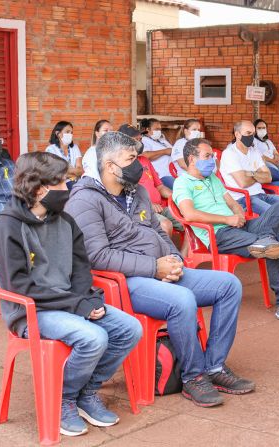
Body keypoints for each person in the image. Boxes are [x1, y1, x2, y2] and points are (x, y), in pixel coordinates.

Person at [65, 131, 252, 408]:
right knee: (182, 300)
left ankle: (214, 367)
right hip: (125, 282)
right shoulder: (85, 200)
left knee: (228, 285)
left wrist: (174, 260)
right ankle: (193, 377)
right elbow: (97, 255)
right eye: (131, 159)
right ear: (109, 166)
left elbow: (158, 231)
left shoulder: (136, 191)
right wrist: (153, 268)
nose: (137, 164)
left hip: (160, 270)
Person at [0, 152, 142, 437]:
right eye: (61, 183)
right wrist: (77, 304)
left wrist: (90, 299)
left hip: (69, 302)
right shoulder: (8, 226)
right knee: (93, 337)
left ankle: (87, 391)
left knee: (129, 328)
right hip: (31, 311)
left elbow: (81, 267)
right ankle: (64, 399)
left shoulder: (65, 220)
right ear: (39, 189)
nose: (67, 188)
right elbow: (19, 287)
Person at [174, 138, 279, 323]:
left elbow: (232, 202)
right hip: (219, 235)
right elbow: (189, 214)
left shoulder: (213, 179)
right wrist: (227, 219)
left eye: (212, 156)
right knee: (273, 248)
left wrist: (238, 214)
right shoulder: (182, 182)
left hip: (239, 226)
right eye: (207, 156)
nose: (212, 160)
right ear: (192, 159)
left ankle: (265, 238)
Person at [220, 121, 279, 242]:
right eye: (248, 133)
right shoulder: (229, 153)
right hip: (243, 199)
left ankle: (274, 239)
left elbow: (268, 177)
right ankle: (267, 240)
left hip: (261, 194)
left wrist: (250, 173)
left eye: (253, 133)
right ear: (237, 134)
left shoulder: (254, 152)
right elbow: (243, 183)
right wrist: (257, 175)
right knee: (274, 213)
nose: (251, 136)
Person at [118, 124, 183, 238]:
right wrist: (148, 204)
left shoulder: (144, 160)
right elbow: (124, 194)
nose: (140, 143)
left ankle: (182, 254)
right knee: (165, 225)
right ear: (123, 141)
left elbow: (160, 187)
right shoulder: (120, 164)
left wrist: (177, 197)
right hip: (140, 209)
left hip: (161, 206)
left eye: (140, 139)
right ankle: (167, 255)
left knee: (188, 219)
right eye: (135, 140)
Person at [46, 121, 84, 187]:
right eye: (67, 132)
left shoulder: (74, 147)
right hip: (59, 185)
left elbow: (80, 170)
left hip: (76, 183)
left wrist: (64, 171)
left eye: (71, 132)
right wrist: (74, 173)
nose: (70, 134)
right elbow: (54, 174)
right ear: (58, 134)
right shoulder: (51, 150)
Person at [140, 118, 174, 188]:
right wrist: (165, 151)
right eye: (156, 129)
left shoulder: (162, 140)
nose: (159, 131)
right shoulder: (144, 140)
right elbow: (146, 156)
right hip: (162, 175)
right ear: (147, 129)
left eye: (160, 129)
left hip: (172, 172)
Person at [254, 119, 279, 184]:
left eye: (263, 128)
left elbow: (275, 152)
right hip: (266, 162)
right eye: (259, 128)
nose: (262, 130)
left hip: (274, 161)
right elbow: (260, 155)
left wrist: (277, 157)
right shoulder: (254, 141)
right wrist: (273, 161)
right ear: (254, 129)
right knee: (276, 171)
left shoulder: (268, 141)